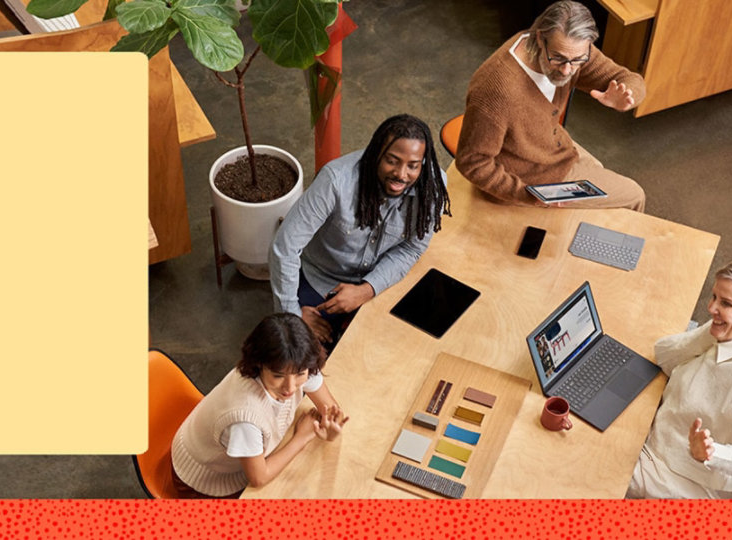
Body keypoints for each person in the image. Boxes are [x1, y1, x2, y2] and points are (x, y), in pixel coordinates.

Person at [270, 114, 451, 346]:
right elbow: (285, 248)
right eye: (392, 160)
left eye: (413, 166)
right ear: (376, 152)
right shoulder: (335, 181)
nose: (401, 174)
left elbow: (411, 249)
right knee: (302, 358)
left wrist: (366, 290)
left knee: (403, 348)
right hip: (321, 281)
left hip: (379, 283)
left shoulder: (432, 187)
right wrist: (292, 317)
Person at [455, 1, 646, 211]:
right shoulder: (497, 90)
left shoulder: (573, 50)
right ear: (539, 37)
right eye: (558, 58)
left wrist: (628, 96)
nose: (567, 70)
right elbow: (472, 162)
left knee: (597, 170)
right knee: (634, 196)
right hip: (529, 179)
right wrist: (527, 194)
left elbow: (628, 78)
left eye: (577, 60)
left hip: (555, 150)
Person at [627, 258, 732, 498]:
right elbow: (664, 354)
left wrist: (712, 453)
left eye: (726, 303)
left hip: (677, 475)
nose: (712, 308)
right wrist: (709, 334)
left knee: (592, 463)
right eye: (714, 297)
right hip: (661, 433)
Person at [171, 313, 348, 498]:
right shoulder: (245, 419)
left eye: (300, 374)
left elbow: (330, 409)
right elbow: (259, 477)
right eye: (278, 376)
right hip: (205, 480)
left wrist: (332, 428)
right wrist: (301, 438)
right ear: (259, 364)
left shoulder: (296, 363)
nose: (290, 387)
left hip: (234, 456)